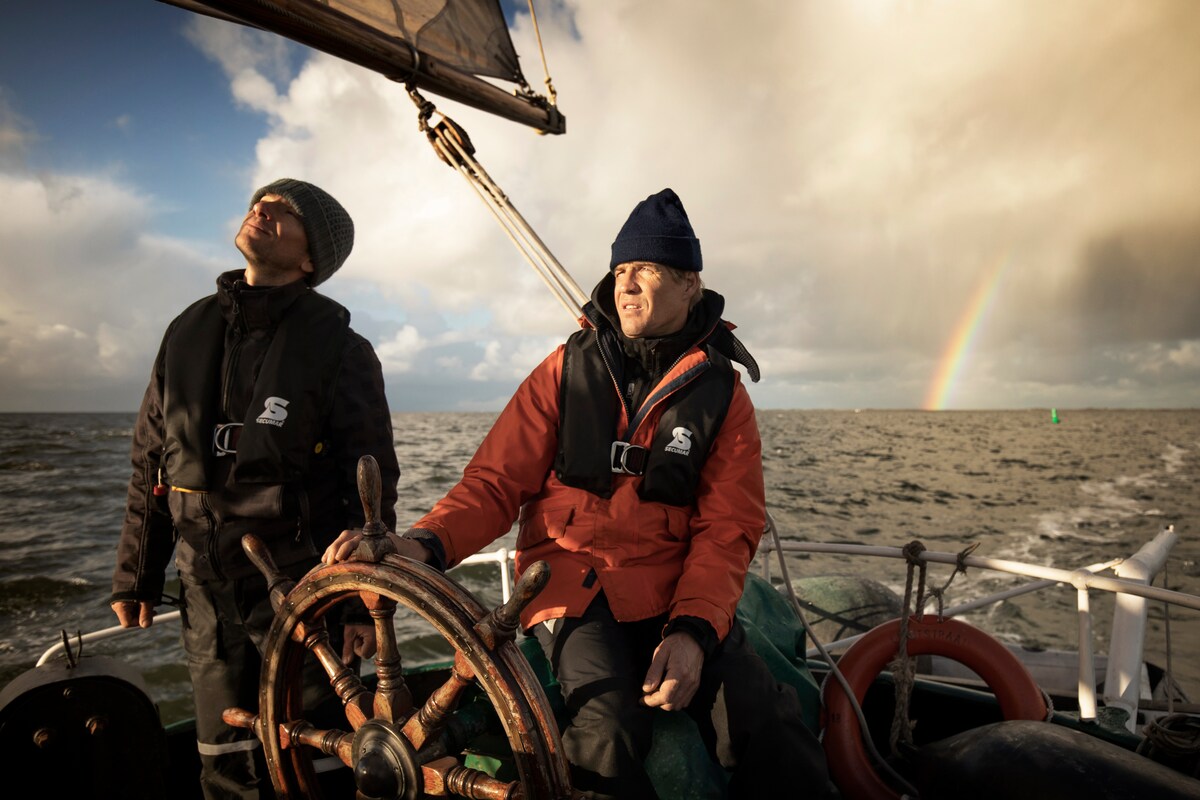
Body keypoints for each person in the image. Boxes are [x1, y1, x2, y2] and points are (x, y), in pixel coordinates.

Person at [324, 188, 838, 798]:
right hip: (571, 584)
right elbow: (495, 482)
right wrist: (425, 543)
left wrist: (695, 631)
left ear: (690, 284)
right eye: (620, 270)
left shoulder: (724, 396)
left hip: (677, 588)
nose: (627, 283)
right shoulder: (564, 370)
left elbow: (727, 529)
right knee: (607, 726)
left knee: (767, 722)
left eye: (645, 269)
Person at [111, 178, 400, 800]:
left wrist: (357, 607)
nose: (262, 209)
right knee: (226, 766)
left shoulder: (343, 350)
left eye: (286, 211)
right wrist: (137, 574)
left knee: (323, 759)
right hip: (204, 588)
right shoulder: (183, 334)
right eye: (260, 201)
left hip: (302, 587)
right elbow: (149, 462)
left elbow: (371, 480)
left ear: (310, 259)